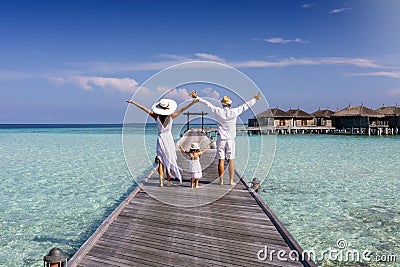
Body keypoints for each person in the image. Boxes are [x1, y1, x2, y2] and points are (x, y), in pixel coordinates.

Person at [190, 91, 262, 185]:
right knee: (231, 160)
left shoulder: (218, 111)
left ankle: (221, 181)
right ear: (230, 104)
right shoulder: (234, 111)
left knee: (221, 160)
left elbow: (207, 104)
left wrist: (197, 97)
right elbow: (245, 106)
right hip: (230, 140)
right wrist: (255, 99)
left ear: (222, 104)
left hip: (221, 139)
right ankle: (231, 181)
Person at [126, 98, 198, 187]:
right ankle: (168, 181)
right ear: (168, 108)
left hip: (160, 139)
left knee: (161, 161)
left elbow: (144, 109)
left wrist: (134, 103)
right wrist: (192, 102)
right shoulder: (171, 117)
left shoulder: (156, 117)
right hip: (168, 140)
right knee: (169, 160)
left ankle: (160, 182)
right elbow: (183, 109)